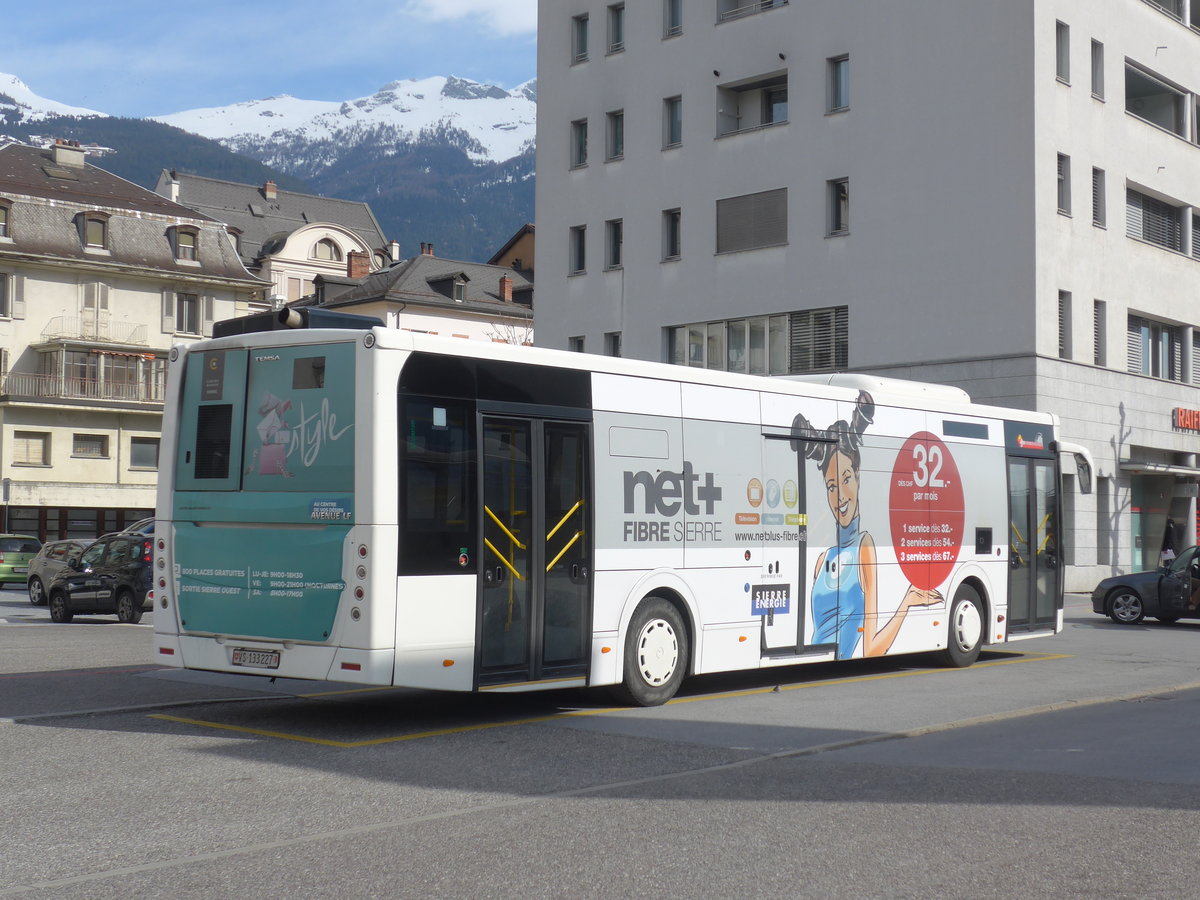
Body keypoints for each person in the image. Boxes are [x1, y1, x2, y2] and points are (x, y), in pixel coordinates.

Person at [792, 392, 942, 659]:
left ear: (858, 477)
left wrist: (905, 603)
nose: (839, 496)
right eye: (831, 486)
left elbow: (871, 649)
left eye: (846, 479)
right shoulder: (821, 560)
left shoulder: (865, 547)